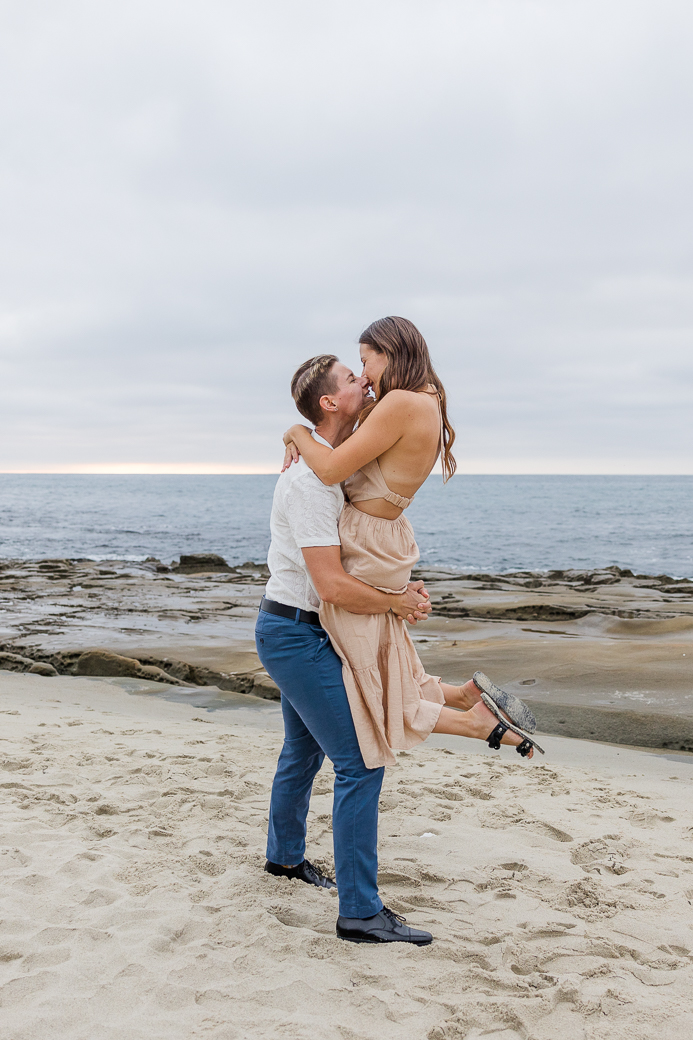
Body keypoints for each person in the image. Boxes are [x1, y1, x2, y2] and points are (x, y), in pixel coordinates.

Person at [282, 317, 543, 769]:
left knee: (369, 682)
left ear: (390, 351)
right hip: (385, 539)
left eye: (365, 361)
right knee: (385, 658)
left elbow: (328, 470)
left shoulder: (400, 402)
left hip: (366, 543)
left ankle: (477, 722)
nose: (364, 375)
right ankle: (465, 695)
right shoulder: (427, 399)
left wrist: (297, 432)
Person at [256, 353, 435, 946]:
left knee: (302, 751)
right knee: (360, 763)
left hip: (302, 629)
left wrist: (298, 431)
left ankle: (283, 859)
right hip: (295, 632)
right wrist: (396, 603)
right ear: (331, 402)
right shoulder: (311, 483)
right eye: (352, 376)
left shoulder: (327, 464)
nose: (365, 380)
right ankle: (360, 912)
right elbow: (331, 585)